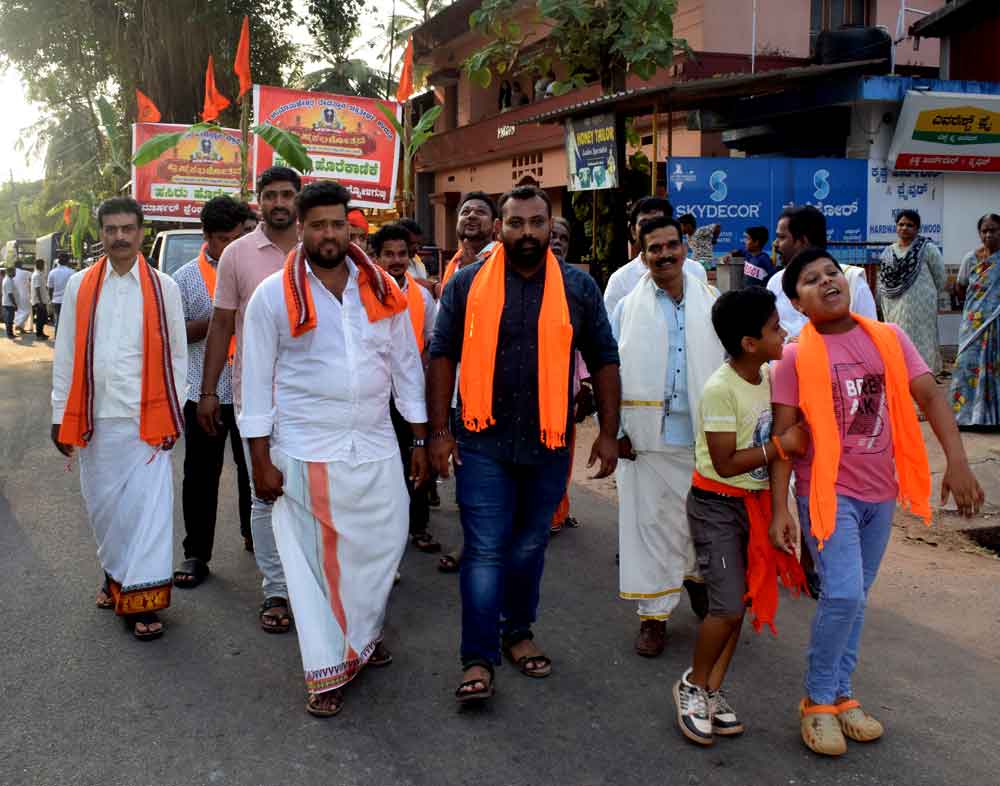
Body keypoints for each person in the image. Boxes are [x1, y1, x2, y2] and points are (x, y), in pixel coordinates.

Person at [769, 247, 983, 757]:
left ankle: (842, 694)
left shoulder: (889, 338)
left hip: (880, 491)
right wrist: (780, 509)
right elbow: (783, 439)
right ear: (797, 303)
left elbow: (930, 397)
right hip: (827, 492)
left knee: (856, 596)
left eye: (831, 273)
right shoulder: (794, 357)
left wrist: (957, 461)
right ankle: (818, 700)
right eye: (811, 280)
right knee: (842, 595)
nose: (827, 282)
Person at [239, 181, 428, 717]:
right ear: (301, 229)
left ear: (351, 228)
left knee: (382, 546)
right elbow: (255, 380)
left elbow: (405, 365)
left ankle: (362, 636)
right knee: (317, 567)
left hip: (374, 442)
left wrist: (419, 436)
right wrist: (259, 459)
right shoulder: (272, 295)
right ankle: (327, 669)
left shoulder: (383, 291)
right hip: (306, 447)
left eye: (337, 224)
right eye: (318, 225)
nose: (329, 234)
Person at [428, 184, 621, 703]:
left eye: (538, 222)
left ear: (550, 227)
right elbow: (442, 354)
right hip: (481, 439)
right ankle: (477, 656)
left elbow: (604, 358)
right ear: (500, 229)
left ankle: (517, 632)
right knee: (485, 548)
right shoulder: (467, 284)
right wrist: (439, 432)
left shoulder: (578, 287)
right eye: (516, 223)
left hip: (548, 441)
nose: (528, 233)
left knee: (530, 545)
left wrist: (608, 432)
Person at [672, 286, 808, 744]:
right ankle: (693, 686)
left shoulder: (770, 377)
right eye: (775, 328)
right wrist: (780, 446)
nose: (783, 333)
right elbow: (726, 462)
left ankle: (713, 689)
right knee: (726, 606)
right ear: (750, 343)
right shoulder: (720, 389)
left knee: (741, 604)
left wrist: (778, 506)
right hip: (716, 505)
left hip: (753, 505)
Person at [50, 196, 187, 640]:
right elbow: (66, 353)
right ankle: (114, 574)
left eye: (128, 228)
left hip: (147, 420)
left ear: (142, 232)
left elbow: (178, 355)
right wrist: (59, 413)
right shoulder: (80, 285)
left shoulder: (164, 287)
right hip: (95, 417)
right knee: (106, 512)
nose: (120, 237)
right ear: (101, 234)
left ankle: (141, 600)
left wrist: (174, 411)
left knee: (147, 512)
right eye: (111, 229)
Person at [612, 216, 724, 657]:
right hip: (647, 439)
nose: (664, 255)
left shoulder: (712, 302)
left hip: (702, 436)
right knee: (651, 528)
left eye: (671, 246)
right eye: (654, 248)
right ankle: (653, 617)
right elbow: (610, 369)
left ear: (685, 248)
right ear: (643, 256)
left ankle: (696, 582)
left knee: (700, 524)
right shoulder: (627, 307)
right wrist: (616, 430)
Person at [197, 165, 302, 634]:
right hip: (255, 395)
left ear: (298, 198)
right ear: (258, 200)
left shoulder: (317, 246)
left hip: (313, 397)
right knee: (265, 493)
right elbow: (221, 324)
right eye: (270, 195)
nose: (279, 203)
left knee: (315, 492)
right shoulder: (237, 254)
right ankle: (276, 589)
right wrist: (208, 392)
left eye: (286, 194)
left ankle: (314, 582)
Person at [172, 197, 254, 588]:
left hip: (252, 391)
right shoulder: (185, 279)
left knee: (253, 470)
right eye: (223, 239)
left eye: (238, 238)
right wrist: (221, 320)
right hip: (204, 394)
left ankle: (255, 535)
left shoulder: (258, 270)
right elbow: (175, 335)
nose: (232, 246)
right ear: (206, 236)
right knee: (200, 477)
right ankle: (196, 554)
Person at [372, 222, 441, 553]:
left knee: (417, 457)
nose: (396, 260)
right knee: (383, 465)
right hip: (376, 395)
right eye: (389, 254)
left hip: (412, 394)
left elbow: (432, 340)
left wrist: (418, 373)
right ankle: (384, 533)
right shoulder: (364, 294)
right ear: (376, 258)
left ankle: (419, 526)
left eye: (402, 254)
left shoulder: (422, 296)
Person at [768, 206, 877, 340]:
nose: (775, 244)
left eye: (782, 237)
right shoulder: (775, 282)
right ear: (797, 303)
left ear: (803, 241)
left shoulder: (852, 281)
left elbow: (871, 338)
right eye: (811, 280)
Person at [549, 216, 594, 534]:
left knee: (562, 455)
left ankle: (557, 513)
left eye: (563, 238)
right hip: (528, 390)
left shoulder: (579, 284)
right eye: (552, 235)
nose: (556, 242)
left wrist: (585, 385)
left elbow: (589, 341)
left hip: (567, 387)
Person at [604, 197, 706, 317]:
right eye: (644, 224)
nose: (652, 230)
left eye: (658, 222)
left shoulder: (695, 271)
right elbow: (611, 326)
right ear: (633, 231)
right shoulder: (620, 281)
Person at [879, 210, 946, 375]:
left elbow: (940, 278)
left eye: (909, 225)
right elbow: (884, 281)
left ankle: (925, 376)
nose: (904, 228)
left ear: (917, 228)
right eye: (901, 224)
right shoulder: (888, 251)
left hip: (922, 308)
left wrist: (925, 295)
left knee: (923, 340)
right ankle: (901, 375)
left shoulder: (927, 249)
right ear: (896, 227)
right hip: (894, 305)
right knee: (897, 338)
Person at [951, 213, 1000, 428]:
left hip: (997, 322)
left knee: (995, 366)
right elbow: (960, 287)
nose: (988, 235)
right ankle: (964, 416)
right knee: (966, 364)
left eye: (993, 230)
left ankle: (992, 418)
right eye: (984, 231)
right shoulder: (970, 258)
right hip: (973, 323)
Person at [436, 191, 498, 298]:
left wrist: (471, 273)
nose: (471, 215)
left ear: (495, 226)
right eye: (465, 212)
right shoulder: (455, 261)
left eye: (480, 212)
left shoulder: (504, 257)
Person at [47, 252, 74, 334]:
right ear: (68, 261)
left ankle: (57, 336)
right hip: (68, 300)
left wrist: (51, 299)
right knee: (68, 320)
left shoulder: (52, 272)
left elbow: (50, 288)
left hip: (56, 300)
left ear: (58, 261)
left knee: (58, 319)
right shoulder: (72, 272)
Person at [30, 259, 49, 339]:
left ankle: (41, 333)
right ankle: (39, 334)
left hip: (42, 300)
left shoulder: (40, 274)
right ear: (40, 265)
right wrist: (40, 301)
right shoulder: (36, 275)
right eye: (43, 264)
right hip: (39, 301)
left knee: (43, 318)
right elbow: (37, 289)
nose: (44, 266)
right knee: (40, 318)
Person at [13, 264, 31, 334]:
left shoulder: (13, 274)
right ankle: (19, 324)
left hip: (16, 295)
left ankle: (21, 327)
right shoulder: (24, 272)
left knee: (19, 311)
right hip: (24, 295)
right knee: (27, 311)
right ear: (21, 265)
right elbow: (33, 275)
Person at [2, 268, 16, 338]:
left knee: (9, 319)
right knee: (9, 319)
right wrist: (14, 303)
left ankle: (10, 333)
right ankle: (10, 334)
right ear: (9, 272)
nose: (15, 273)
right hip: (9, 303)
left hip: (7, 303)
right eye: (14, 272)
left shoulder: (9, 280)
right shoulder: (8, 281)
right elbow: (10, 294)